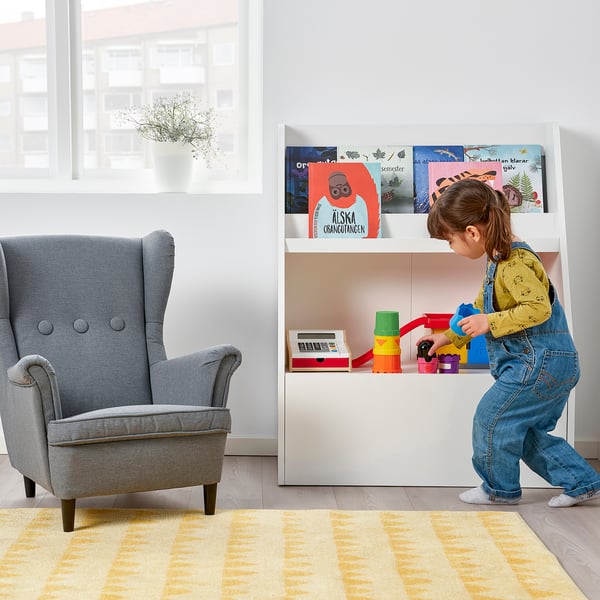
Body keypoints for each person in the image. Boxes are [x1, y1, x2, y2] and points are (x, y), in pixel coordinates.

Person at [417, 178, 600, 507]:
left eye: (449, 241)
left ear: (472, 232)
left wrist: (490, 321)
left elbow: (538, 308)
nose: (451, 248)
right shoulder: (497, 260)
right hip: (544, 363)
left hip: (538, 364)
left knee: (492, 419)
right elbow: (479, 312)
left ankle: (498, 489)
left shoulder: (515, 263)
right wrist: (446, 337)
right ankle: (581, 481)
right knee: (522, 431)